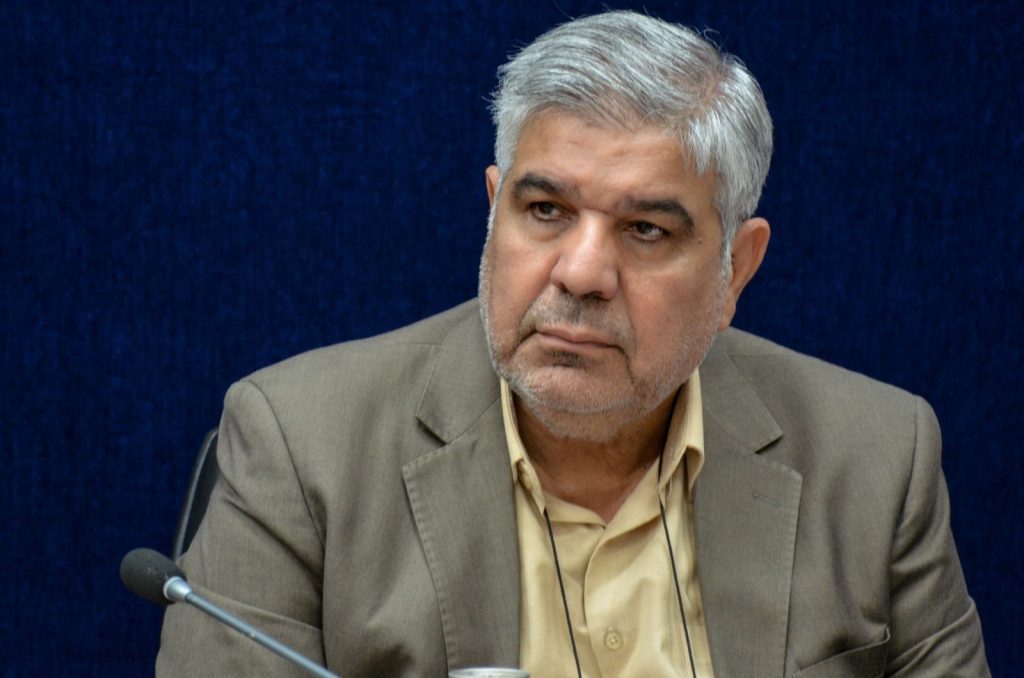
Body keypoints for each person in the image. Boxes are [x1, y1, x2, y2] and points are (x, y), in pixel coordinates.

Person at [157, 10, 989, 677]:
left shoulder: (876, 461)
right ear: (493, 212)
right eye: (546, 211)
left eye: (646, 228)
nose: (582, 272)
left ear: (736, 269)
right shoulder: (301, 446)